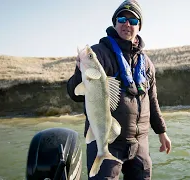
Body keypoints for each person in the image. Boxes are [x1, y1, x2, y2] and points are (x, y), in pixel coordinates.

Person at [66, 0, 172, 179]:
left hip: (140, 143)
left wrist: (162, 132)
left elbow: (152, 101)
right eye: (122, 18)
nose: (127, 24)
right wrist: (80, 71)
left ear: (139, 26)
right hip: (108, 139)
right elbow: (74, 94)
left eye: (133, 21)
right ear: (115, 23)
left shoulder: (146, 63)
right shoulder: (99, 53)